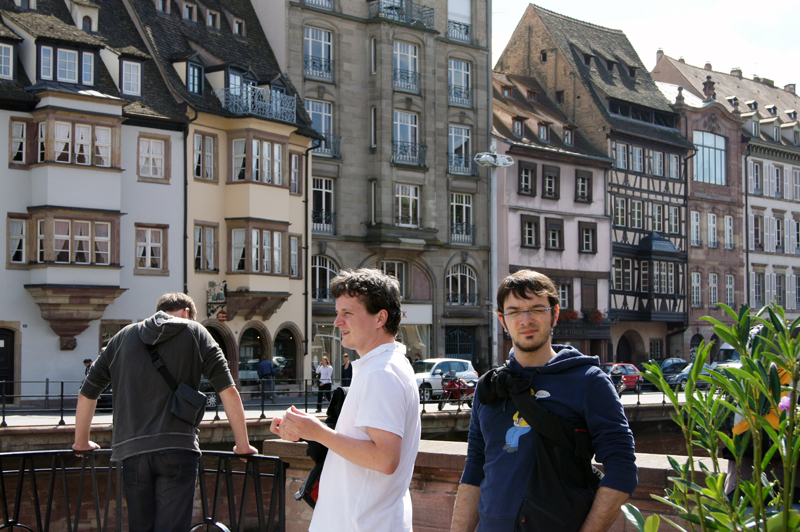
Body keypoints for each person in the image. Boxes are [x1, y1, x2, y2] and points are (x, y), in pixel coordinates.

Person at [451, 270, 637, 532]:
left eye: (537, 309)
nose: (526, 320)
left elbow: (622, 469)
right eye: (514, 312)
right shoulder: (490, 387)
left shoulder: (588, 382)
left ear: (555, 314)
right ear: (503, 321)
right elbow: (474, 469)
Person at [73, 293, 258, 532]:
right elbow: (228, 390)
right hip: (178, 447)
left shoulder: (122, 338)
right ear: (187, 313)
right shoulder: (196, 332)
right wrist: (242, 445)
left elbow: (87, 392)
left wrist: (81, 442)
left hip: (132, 451)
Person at [270, 268, 421, 532]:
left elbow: (384, 459)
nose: (337, 322)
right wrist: (306, 430)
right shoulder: (382, 367)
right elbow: (361, 444)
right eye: (338, 312)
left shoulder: (382, 372)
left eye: (347, 313)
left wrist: (318, 432)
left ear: (380, 318)